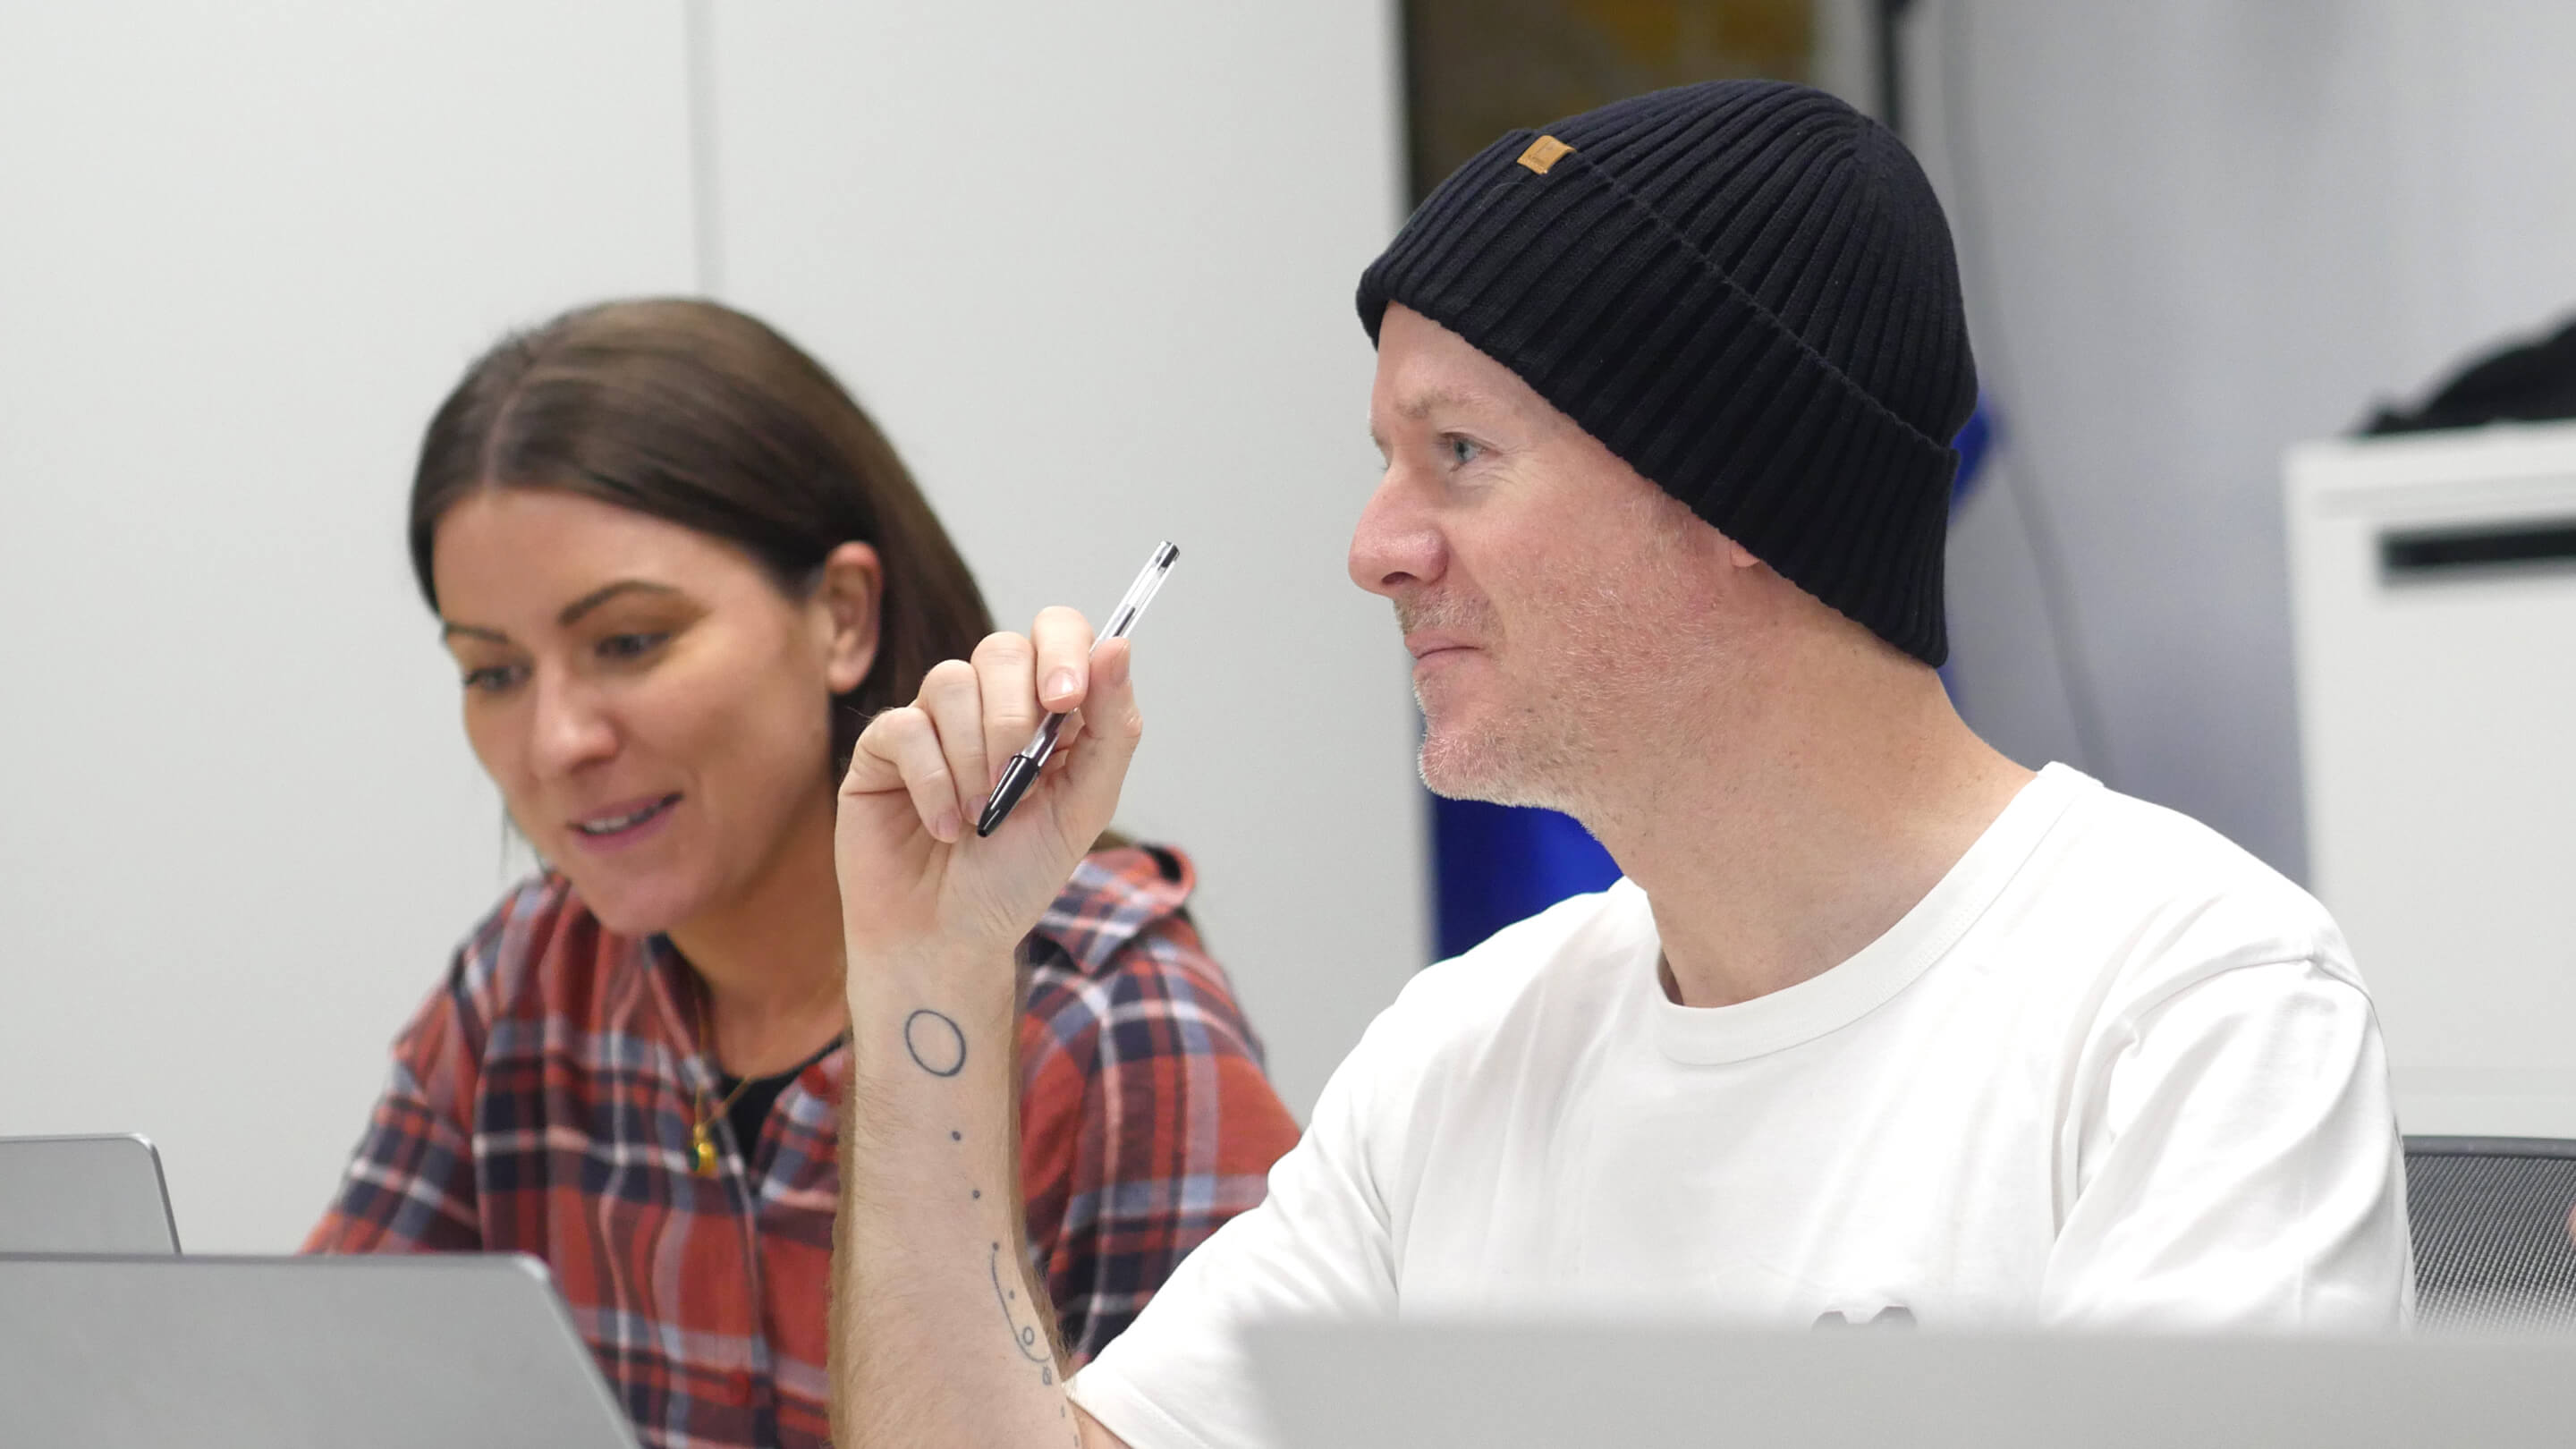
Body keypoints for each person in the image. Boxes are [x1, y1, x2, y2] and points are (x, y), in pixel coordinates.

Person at [822, 80, 2413, 1448]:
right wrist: (932, 968)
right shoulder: (1461, 1056)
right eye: (1386, 460)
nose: (1374, 550)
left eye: (1459, 455)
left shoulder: (2191, 1009)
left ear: (1737, 496)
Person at [302, 299, 1302, 1449]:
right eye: (492, 673)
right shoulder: (529, 979)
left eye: (629, 642)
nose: (554, 742)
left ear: (840, 617)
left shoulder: (1104, 1010)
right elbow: (306, 1398)